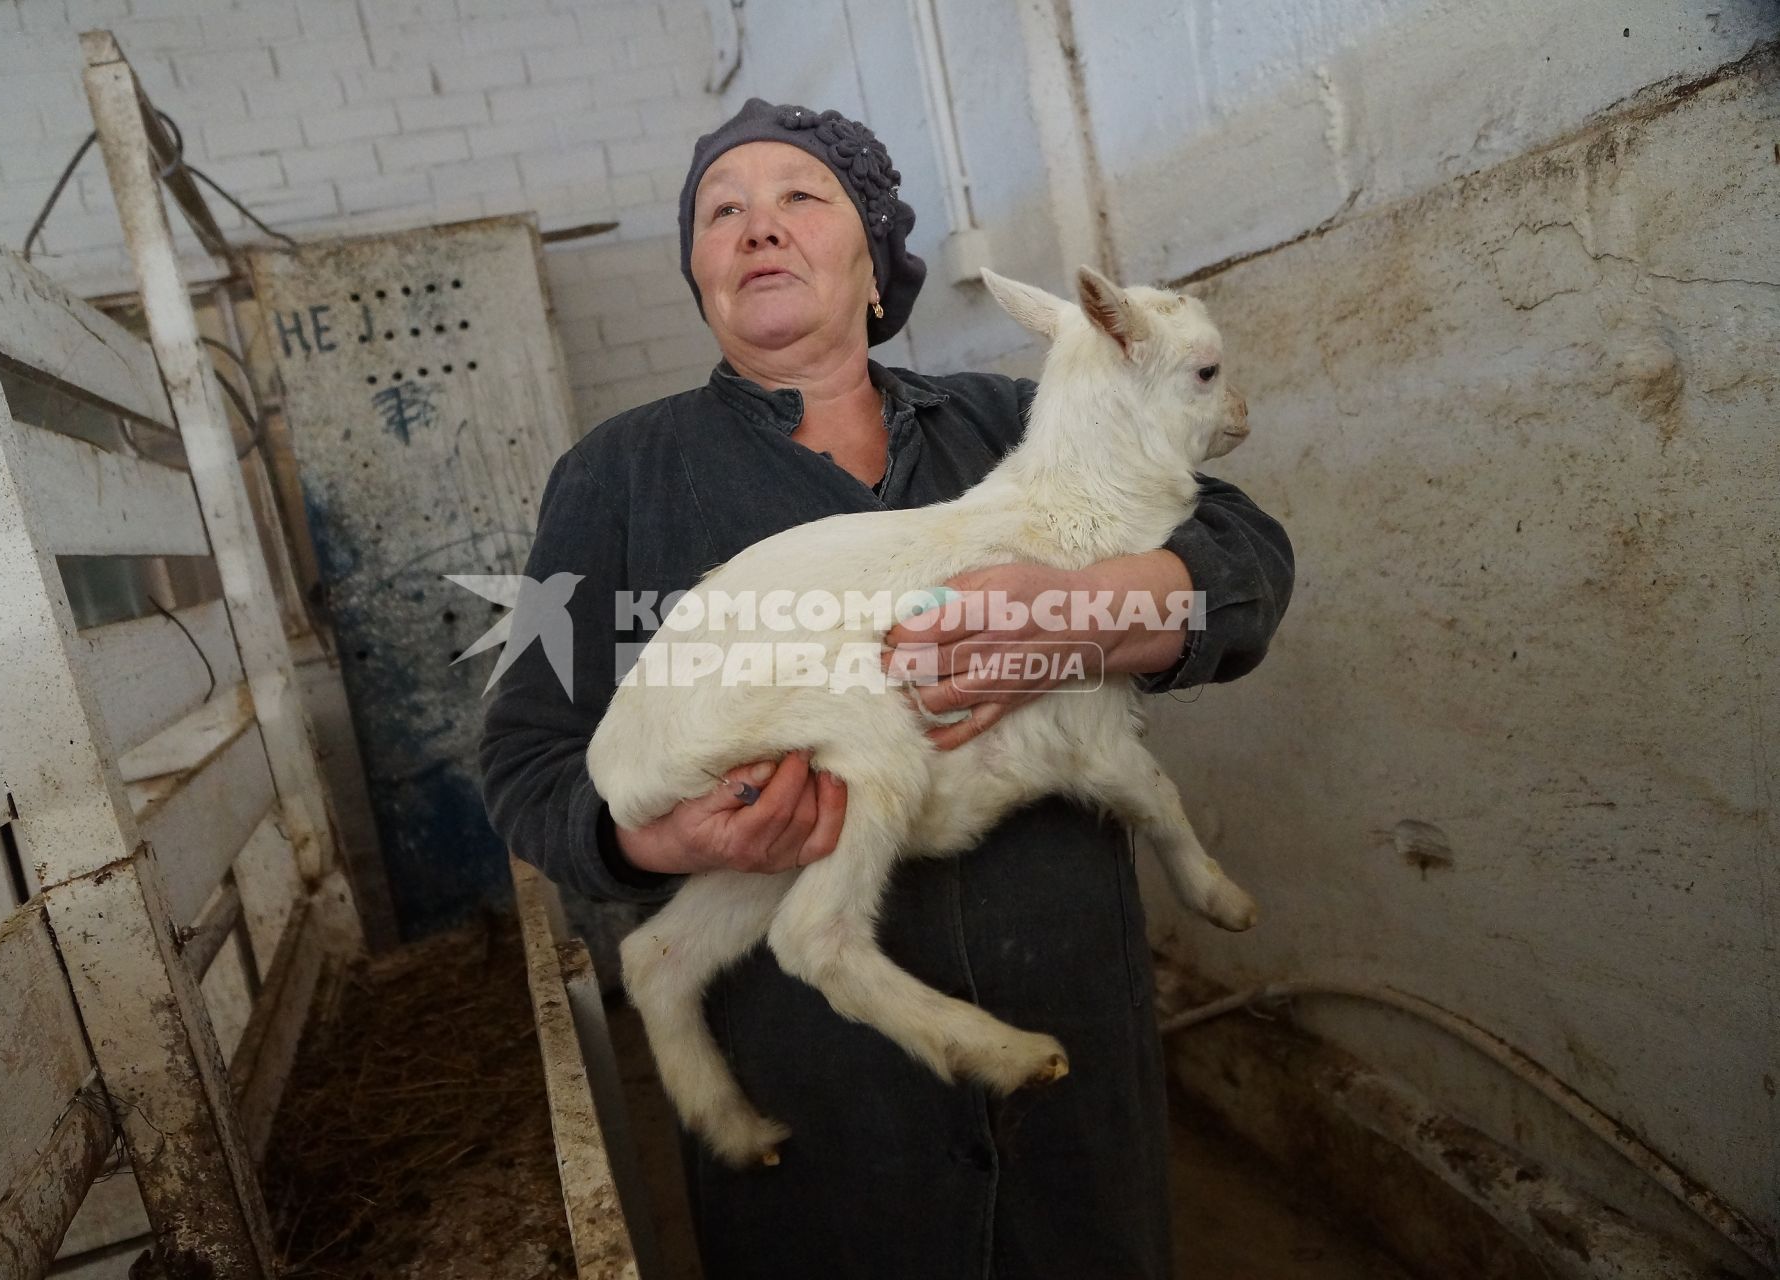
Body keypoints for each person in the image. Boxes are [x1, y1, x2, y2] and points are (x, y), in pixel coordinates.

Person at [480, 97, 1293, 1280]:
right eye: (720, 213)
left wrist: (1096, 609)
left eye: (798, 199)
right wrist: (643, 837)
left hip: (1065, 1023)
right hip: (821, 1099)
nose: (757, 228)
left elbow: (1252, 557)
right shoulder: (613, 478)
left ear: (875, 259)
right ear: (699, 275)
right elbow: (524, 750)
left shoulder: (1012, 419)